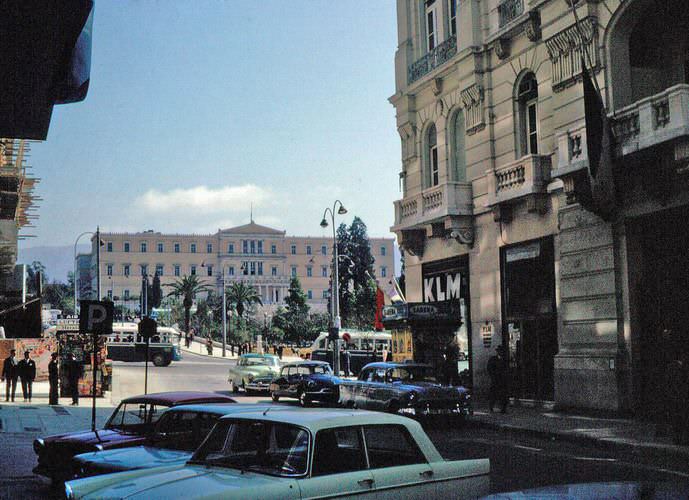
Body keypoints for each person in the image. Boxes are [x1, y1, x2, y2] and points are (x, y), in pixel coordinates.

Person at [487, 345, 508, 413]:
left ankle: (503, 408)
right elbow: (489, 368)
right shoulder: (493, 359)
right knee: (494, 394)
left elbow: (506, 369)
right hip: (495, 380)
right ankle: (491, 406)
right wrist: (493, 376)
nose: (500, 352)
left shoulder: (505, 360)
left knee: (503, 395)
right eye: (499, 351)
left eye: (501, 351)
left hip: (503, 380)